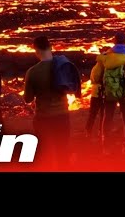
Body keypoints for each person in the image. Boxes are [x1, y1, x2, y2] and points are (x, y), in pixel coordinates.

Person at [23, 36, 72, 168]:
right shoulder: (63, 66)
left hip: (43, 117)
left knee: (44, 152)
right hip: (62, 114)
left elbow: (28, 98)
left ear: (36, 51)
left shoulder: (32, 72)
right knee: (62, 151)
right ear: (51, 47)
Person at [90, 32, 125, 154]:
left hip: (109, 93)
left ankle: (106, 146)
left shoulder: (105, 57)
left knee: (108, 117)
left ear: (114, 41)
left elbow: (95, 77)